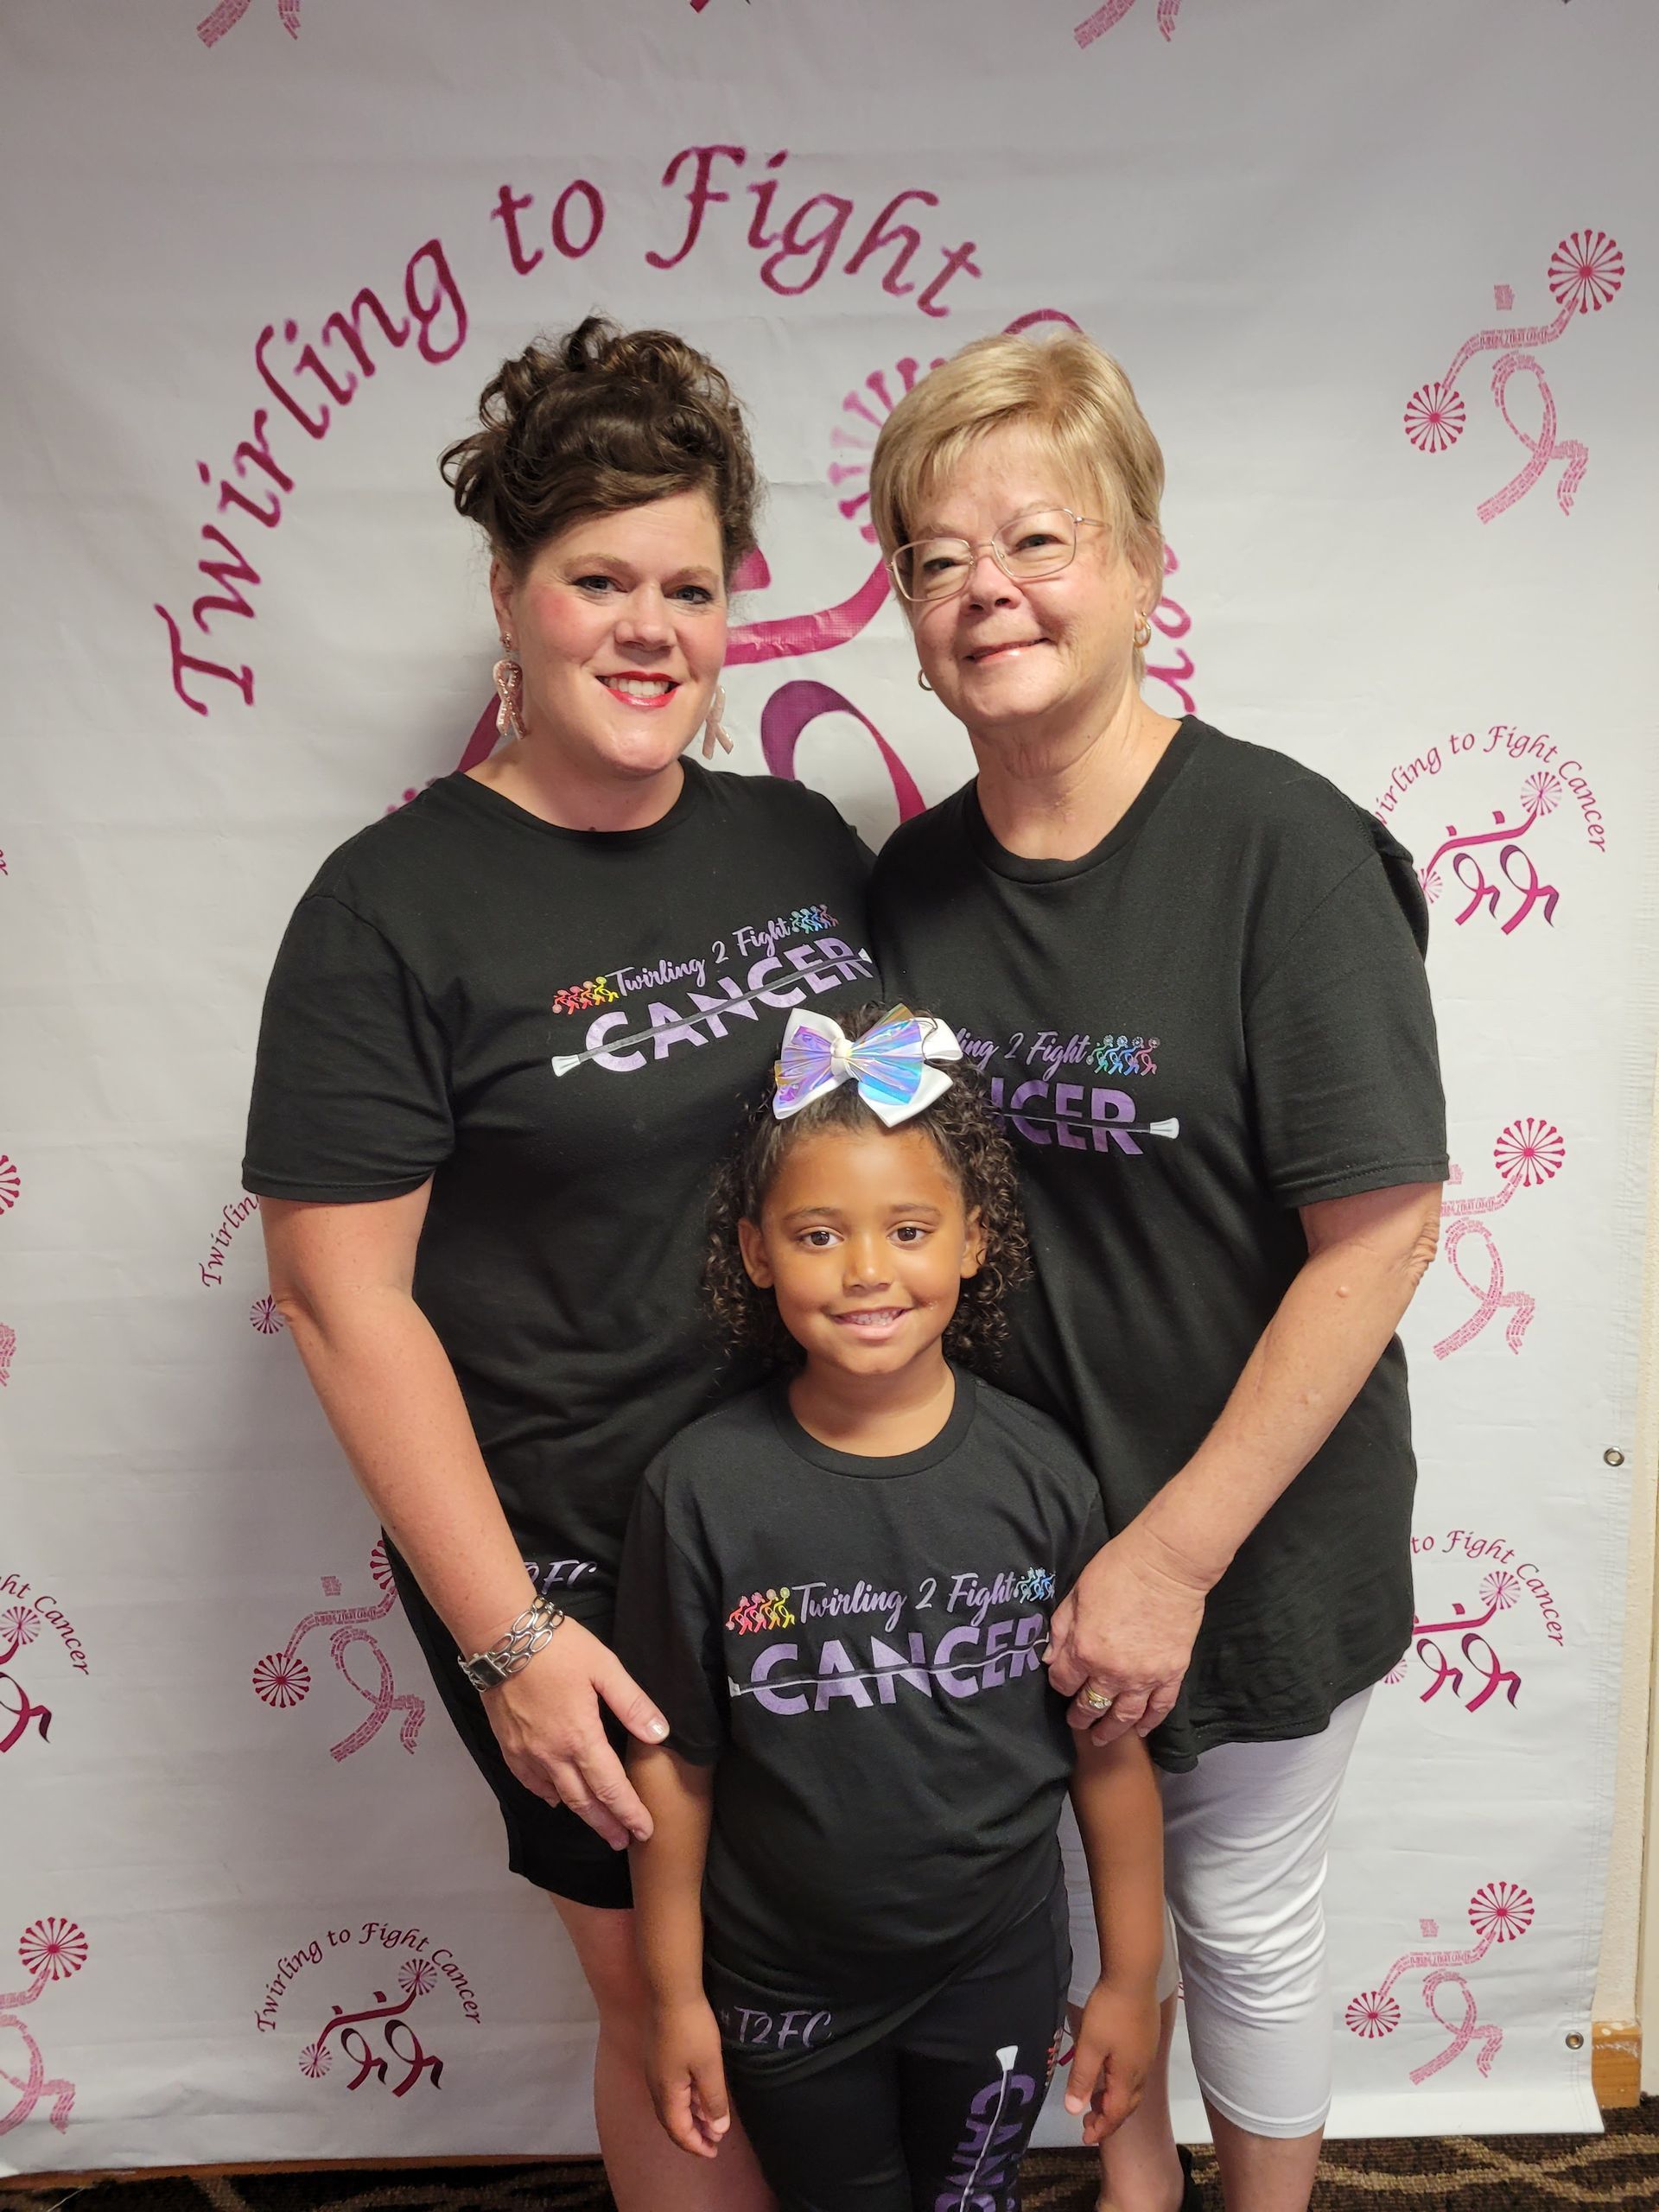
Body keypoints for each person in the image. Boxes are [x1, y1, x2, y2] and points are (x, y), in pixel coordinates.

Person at [242, 316, 877, 2212]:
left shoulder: (801, 841)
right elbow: (340, 1297)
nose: (647, 626)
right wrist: (509, 1637)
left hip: (830, 1520)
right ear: (509, 594)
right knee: (664, 2008)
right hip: (581, 1570)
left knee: (842, 1979)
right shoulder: (391, 905)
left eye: (689, 583)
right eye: (599, 577)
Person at [863, 332, 1446, 2212]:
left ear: (1139, 563)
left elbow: (1384, 1231)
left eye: (1038, 539)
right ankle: (1128, 2190)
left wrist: (1171, 1554)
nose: (990, 591)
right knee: (1063, 1922)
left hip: (1255, 1527)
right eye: (940, 560)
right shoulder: (908, 891)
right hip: (1010, 1531)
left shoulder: (1283, 849)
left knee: (1242, 1921)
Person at [616, 1002, 1168, 2212]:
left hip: (995, 1975)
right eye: (819, 1234)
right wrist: (673, 2000)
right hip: (781, 1986)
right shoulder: (699, 1490)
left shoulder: (1042, 1475)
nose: (867, 1271)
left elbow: (1109, 1757)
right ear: (757, 1250)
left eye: (907, 1229)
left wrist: (1132, 1981)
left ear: (973, 1241)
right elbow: (676, 1770)